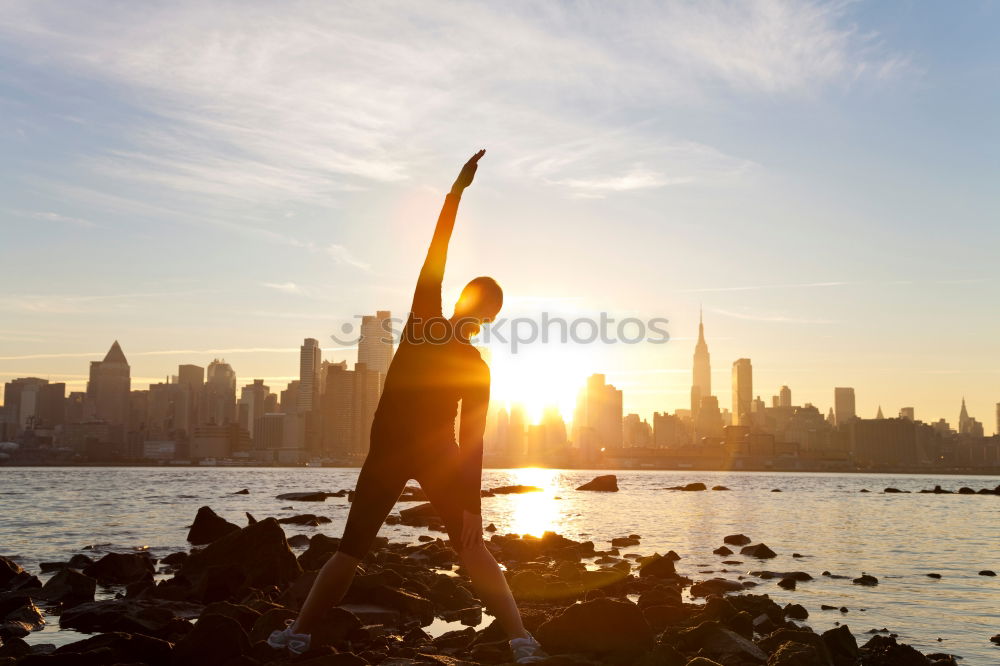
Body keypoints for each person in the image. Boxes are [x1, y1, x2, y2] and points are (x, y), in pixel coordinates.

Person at [268, 150, 547, 663]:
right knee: (353, 549)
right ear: (472, 307)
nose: (476, 312)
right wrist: (455, 193)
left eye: (482, 309)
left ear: (483, 316)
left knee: (461, 547)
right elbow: (436, 249)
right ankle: (300, 632)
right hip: (401, 451)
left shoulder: (465, 357)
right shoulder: (428, 322)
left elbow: (475, 438)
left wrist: (471, 509)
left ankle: (520, 638)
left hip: (426, 452)